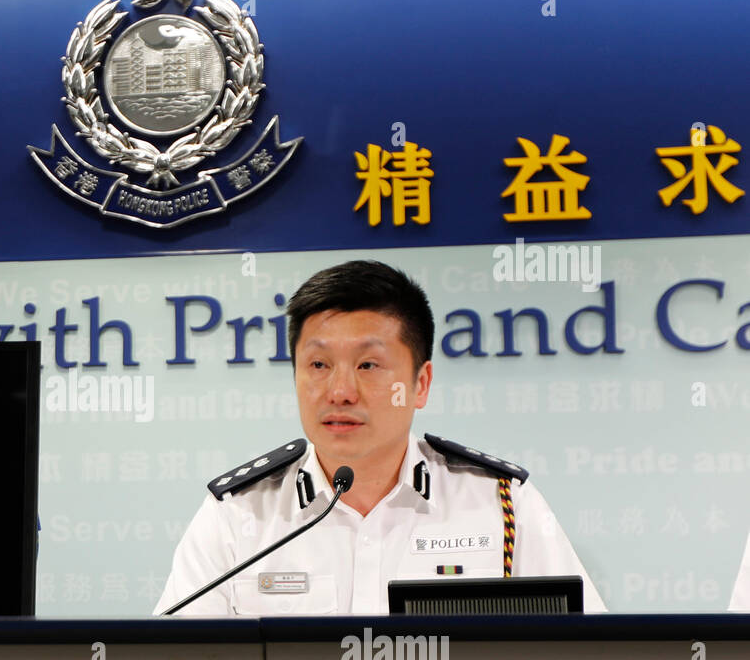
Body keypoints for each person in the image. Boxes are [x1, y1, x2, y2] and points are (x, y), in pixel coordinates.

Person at [155, 260, 605, 616]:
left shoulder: (502, 503)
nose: (340, 391)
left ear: (420, 383)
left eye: (368, 365)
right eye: (318, 365)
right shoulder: (239, 515)